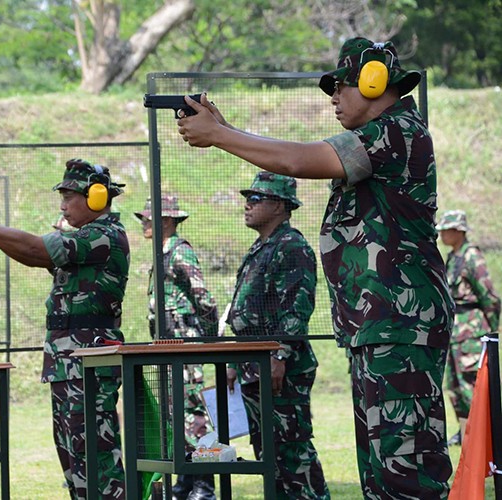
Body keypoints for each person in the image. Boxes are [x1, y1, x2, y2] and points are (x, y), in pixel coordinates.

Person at [177, 37, 454, 498]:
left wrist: (221, 137)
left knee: (407, 477)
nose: (333, 98)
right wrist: (225, 128)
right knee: (383, 475)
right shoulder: (382, 137)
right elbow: (293, 156)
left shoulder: (397, 131)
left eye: (341, 86)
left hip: (400, 327)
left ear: (374, 81)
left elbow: (299, 160)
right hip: (381, 328)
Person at [0, 158, 128, 499]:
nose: (63, 204)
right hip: (70, 363)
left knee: (95, 458)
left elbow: (33, 248)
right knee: (74, 459)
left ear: (96, 197)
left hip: (88, 364)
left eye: (70, 196)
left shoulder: (102, 236)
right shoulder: (85, 241)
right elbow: (31, 255)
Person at [226, 172, 329, 499]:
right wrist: (235, 360)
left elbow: (297, 306)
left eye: (256, 199)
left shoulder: (292, 246)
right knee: (268, 454)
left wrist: (280, 353)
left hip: (278, 367)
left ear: (280, 206)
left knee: (292, 452)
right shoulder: (263, 247)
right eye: (248, 198)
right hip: (254, 364)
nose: (248, 204)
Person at [134, 195, 219, 500]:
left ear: (166, 221)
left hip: (185, 347)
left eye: (148, 218)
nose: (143, 223)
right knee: (175, 416)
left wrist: (207, 340)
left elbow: (204, 298)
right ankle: (185, 481)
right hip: (169, 348)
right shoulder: (163, 254)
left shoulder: (180, 253)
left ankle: (205, 486)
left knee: (194, 416)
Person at [436, 210, 500, 446]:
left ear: (458, 231)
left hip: (471, 332)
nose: (441, 234)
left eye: (446, 229)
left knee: (473, 385)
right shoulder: (453, 257)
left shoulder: (472, 256)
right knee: (456, 387)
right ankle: (466, 434)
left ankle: (486, 436)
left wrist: (491, 331)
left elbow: (490, 297)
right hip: (455, 332)